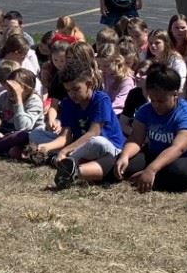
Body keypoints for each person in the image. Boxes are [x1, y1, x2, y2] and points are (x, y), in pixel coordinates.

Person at [77, 64, 187, 194]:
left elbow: (178, 148)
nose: (155, 105)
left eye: (161, 101)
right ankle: (76, 172)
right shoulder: (145, 111)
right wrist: (125, 155)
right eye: (152, 100)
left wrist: (152, 169)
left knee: (178, 171)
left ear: (175, 94)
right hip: (154, 154)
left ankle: (147, 177)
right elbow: (136, 139)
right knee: (120, 163)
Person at [34, 59, 126, 190]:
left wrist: (65, 151)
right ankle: (60, 159)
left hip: (107, 147)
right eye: (68, 90)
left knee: (97, 142)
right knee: (36, 134)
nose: (72, 94)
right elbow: (65, 136)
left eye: (76, 89)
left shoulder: (101, 99)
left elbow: (94, 133)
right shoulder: (67, 103)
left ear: (89, 84)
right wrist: (46, 147)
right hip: (79, 147)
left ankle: (64, 162)